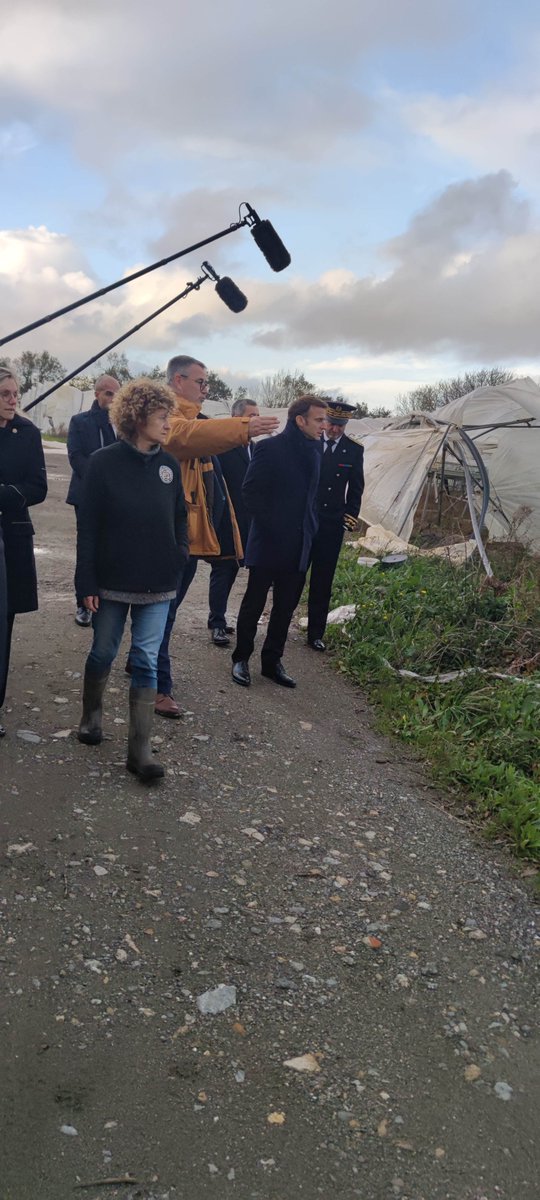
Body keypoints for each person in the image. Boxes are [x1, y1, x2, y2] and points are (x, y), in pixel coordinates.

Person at [147, 356, 278, 718]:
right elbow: (185, 437)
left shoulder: (192, 419)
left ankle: (142, 665)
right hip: (168, 535)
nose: (207, 390)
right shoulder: (165, 419)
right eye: (202, 383)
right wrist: (243, 428)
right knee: (164, 612)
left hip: (187, 536)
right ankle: (158, 687)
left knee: (164, 610)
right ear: (178, 380)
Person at [75, 378, 188, 782]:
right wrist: (85, 582)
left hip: (159, 582)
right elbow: (87, 527)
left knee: (145, 658)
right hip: (111, 581)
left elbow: (179, 517)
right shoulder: (103, 463)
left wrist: (180, 554)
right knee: (103, 651)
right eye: (161, 417)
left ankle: (139, 750)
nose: (167, 424)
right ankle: (91, 717)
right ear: (137, 418)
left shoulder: (168, 466)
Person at [231, 395, 327, 689]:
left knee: (285, 608)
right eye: (319, 420)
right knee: (254, 603)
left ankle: (272, 662)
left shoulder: (316, 450)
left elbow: (311, 498)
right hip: (270, 541)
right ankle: (241, 658)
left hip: (300, 544)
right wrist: (275, 526)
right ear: (300, 420)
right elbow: (250, 493)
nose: (325, 425)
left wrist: (310, 530)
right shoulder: (269, 448)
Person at [0, 365, 48, 734]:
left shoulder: (28, 432)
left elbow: (39, 487)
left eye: (16, 393)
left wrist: (8, 495)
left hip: (11, 534)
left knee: (4, 619)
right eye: (5, 394)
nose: (14, 399)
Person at [306, 399, 364, 651]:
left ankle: (315, 633)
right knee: (294, 576)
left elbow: (356, 489)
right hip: (306, 520)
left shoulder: (353, 450)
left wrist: (348, 519)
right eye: (331, 424)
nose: (335, 430)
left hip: (331, 524)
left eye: (340, 425)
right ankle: (282, 625)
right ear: (325, 421)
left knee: (323, 580)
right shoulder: (310, 443)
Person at [66, 374, 120, 626]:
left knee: (112, 546)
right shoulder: (80, 422)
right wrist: (102, 481)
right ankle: (83, 603)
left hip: (117, 499)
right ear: (97, 394)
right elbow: (76, 458)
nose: (113, 398)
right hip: (87, 496)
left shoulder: (123, 424)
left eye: (116, 393)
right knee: (87, 548)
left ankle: (108, 599)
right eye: (108, 393)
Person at [207, 396, 260, 647]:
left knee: (233, 569)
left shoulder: (254, 447)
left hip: (246, 521)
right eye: (251, 416)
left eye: (257, 416)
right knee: (223, 568)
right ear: (237, 418)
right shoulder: (224, 447)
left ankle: (218, 617)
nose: (255, 421)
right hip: (227, 520)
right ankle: (216, 622)